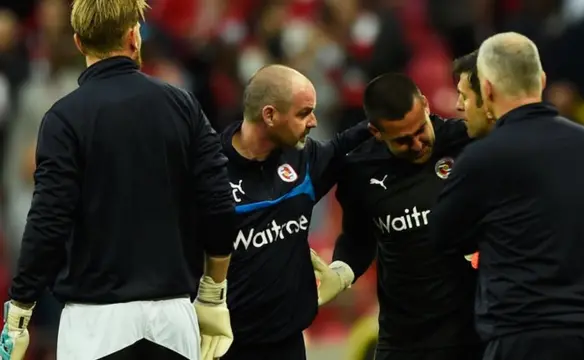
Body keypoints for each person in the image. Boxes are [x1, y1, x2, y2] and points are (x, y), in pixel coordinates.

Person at [1, 1, 236, 359]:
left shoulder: (64, 118)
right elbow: (219, 203)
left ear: (79, 42)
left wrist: (19, 310)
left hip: (95, 324)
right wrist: (213, 293)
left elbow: (48, 222)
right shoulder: (182, 106)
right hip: (172, 318)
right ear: (133, 36)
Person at [429, 32, 584, 360]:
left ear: (487, 89)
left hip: (526, 338)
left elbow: (441, 237)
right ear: (542, 80)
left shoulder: (482, 158)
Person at [311, 72, 483, 360]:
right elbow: (358, 238)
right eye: (403, 140)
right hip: (404, 340)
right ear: (377, 132)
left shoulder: (466, 143)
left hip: (474, 334)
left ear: (426, 105)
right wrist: (342, 272)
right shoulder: (359, 169)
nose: (417, 145)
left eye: (421, 131)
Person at [219, 64, 370, 360]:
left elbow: (341, 147)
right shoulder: (208, 171)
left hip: (288, 344)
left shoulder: (304, 160)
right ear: (270, 115)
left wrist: (379, 119)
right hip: (225, 346)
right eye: (303, 113)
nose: (313, 121)